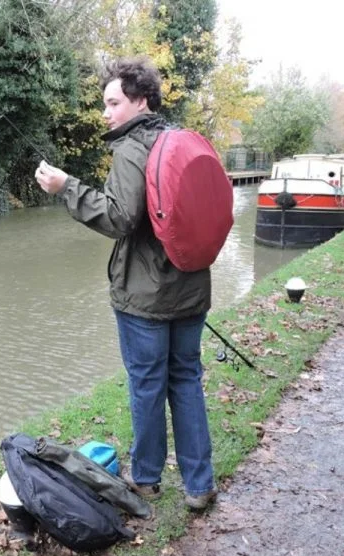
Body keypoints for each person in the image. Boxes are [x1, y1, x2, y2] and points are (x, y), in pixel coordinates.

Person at [34, 56, 217, 510]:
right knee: (187, 381)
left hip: (145, 297)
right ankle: (199, 486)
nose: (106, 112)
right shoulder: (181, 139)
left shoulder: (133, 149)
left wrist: (66, 187)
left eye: (113, 102)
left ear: (140, 100)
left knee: (148, 384)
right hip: (192, 288)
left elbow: (118, 218)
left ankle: (149, 478)